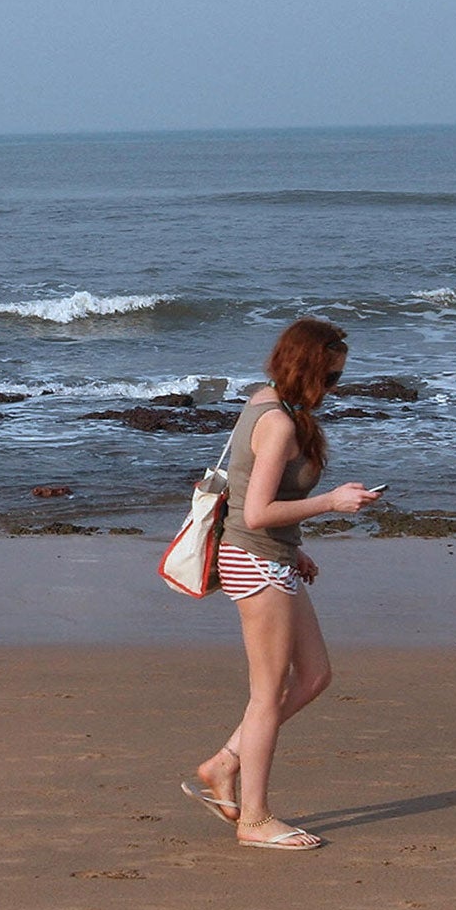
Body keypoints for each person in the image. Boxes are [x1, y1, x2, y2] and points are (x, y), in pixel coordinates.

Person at [181, 317, 380, 851]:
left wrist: (296, 548)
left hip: (274, 556)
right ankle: (254, 819)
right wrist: (331, 502)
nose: (333, 388)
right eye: (330, 378)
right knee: (266, 697)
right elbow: (258, 511)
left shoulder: (268, 400)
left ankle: (224, 763)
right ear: (306, 368)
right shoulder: (278, 423)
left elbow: (248, 492)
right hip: (256, 562)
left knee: (314, 676)